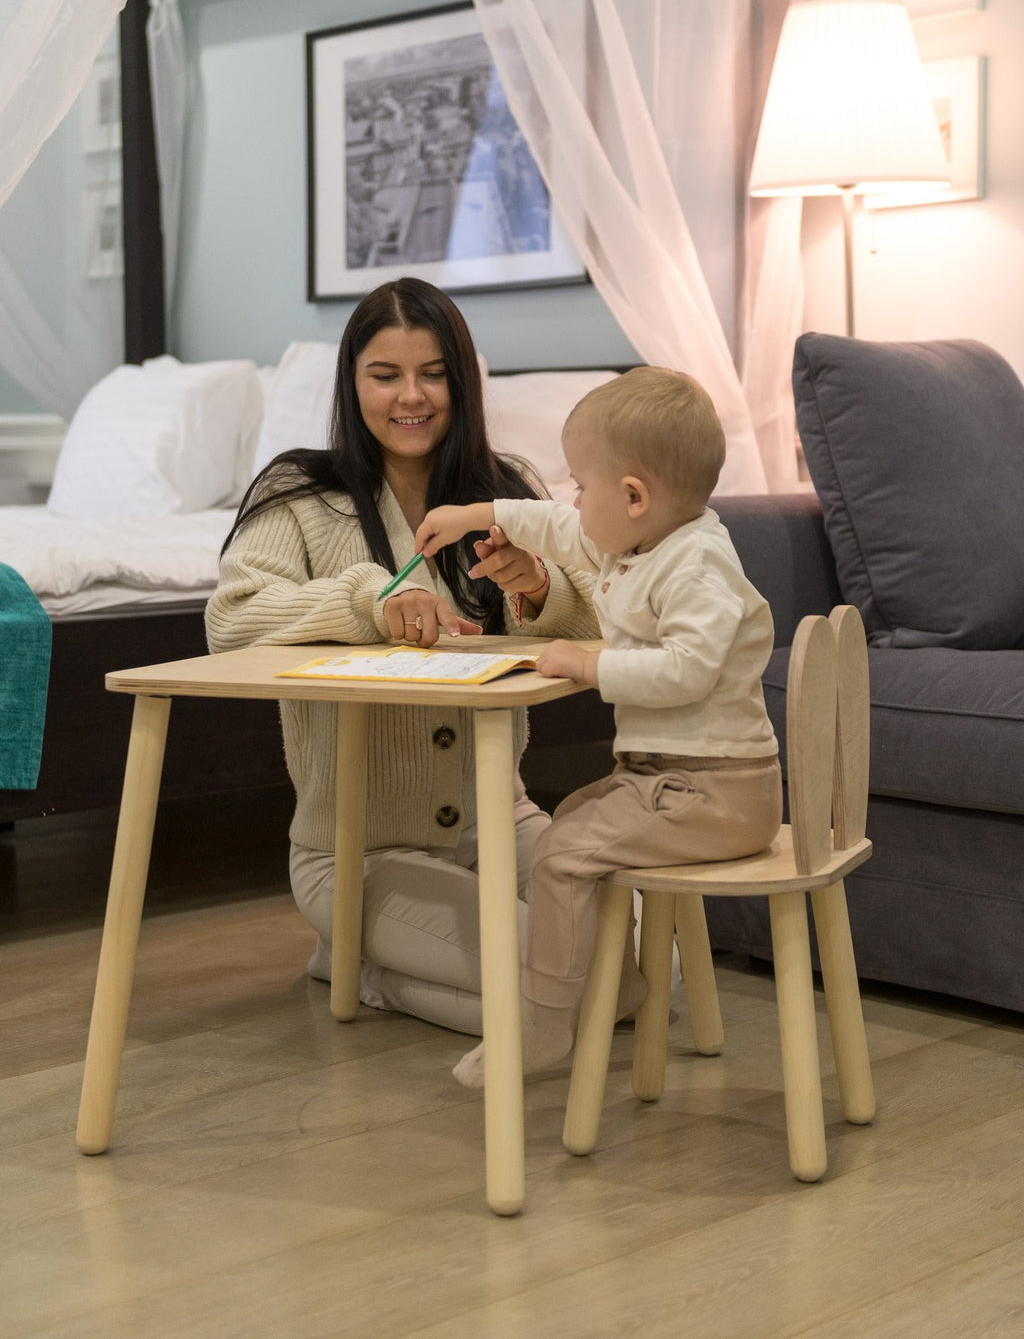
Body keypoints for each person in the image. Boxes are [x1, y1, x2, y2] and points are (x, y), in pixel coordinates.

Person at [206, 277, 600, 1034]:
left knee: (653, 966)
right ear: (352, 383)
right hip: (355, 852)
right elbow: (231, 620)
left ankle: (360, 966)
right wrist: (368, 603)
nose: (409, 397)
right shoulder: (298, 491)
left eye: (433, 374)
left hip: (501, 827)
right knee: (571, 992)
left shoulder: (507, 490)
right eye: (384, 375)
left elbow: (597, 615)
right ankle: (368, 960)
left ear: (463, 381)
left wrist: (541, 587)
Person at [415, 366, 783, 1086]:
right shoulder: (639, 543)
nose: (573, 502)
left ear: (634, 496)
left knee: (561, 855)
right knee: (572, 821)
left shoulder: (696, 567)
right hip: (672, 781)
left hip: (718, 792)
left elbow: (687, 670)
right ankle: (616, 983)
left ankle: (546, 1019)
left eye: (582, 486)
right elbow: (556, 528)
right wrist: (475, 513)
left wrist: (590, 662)